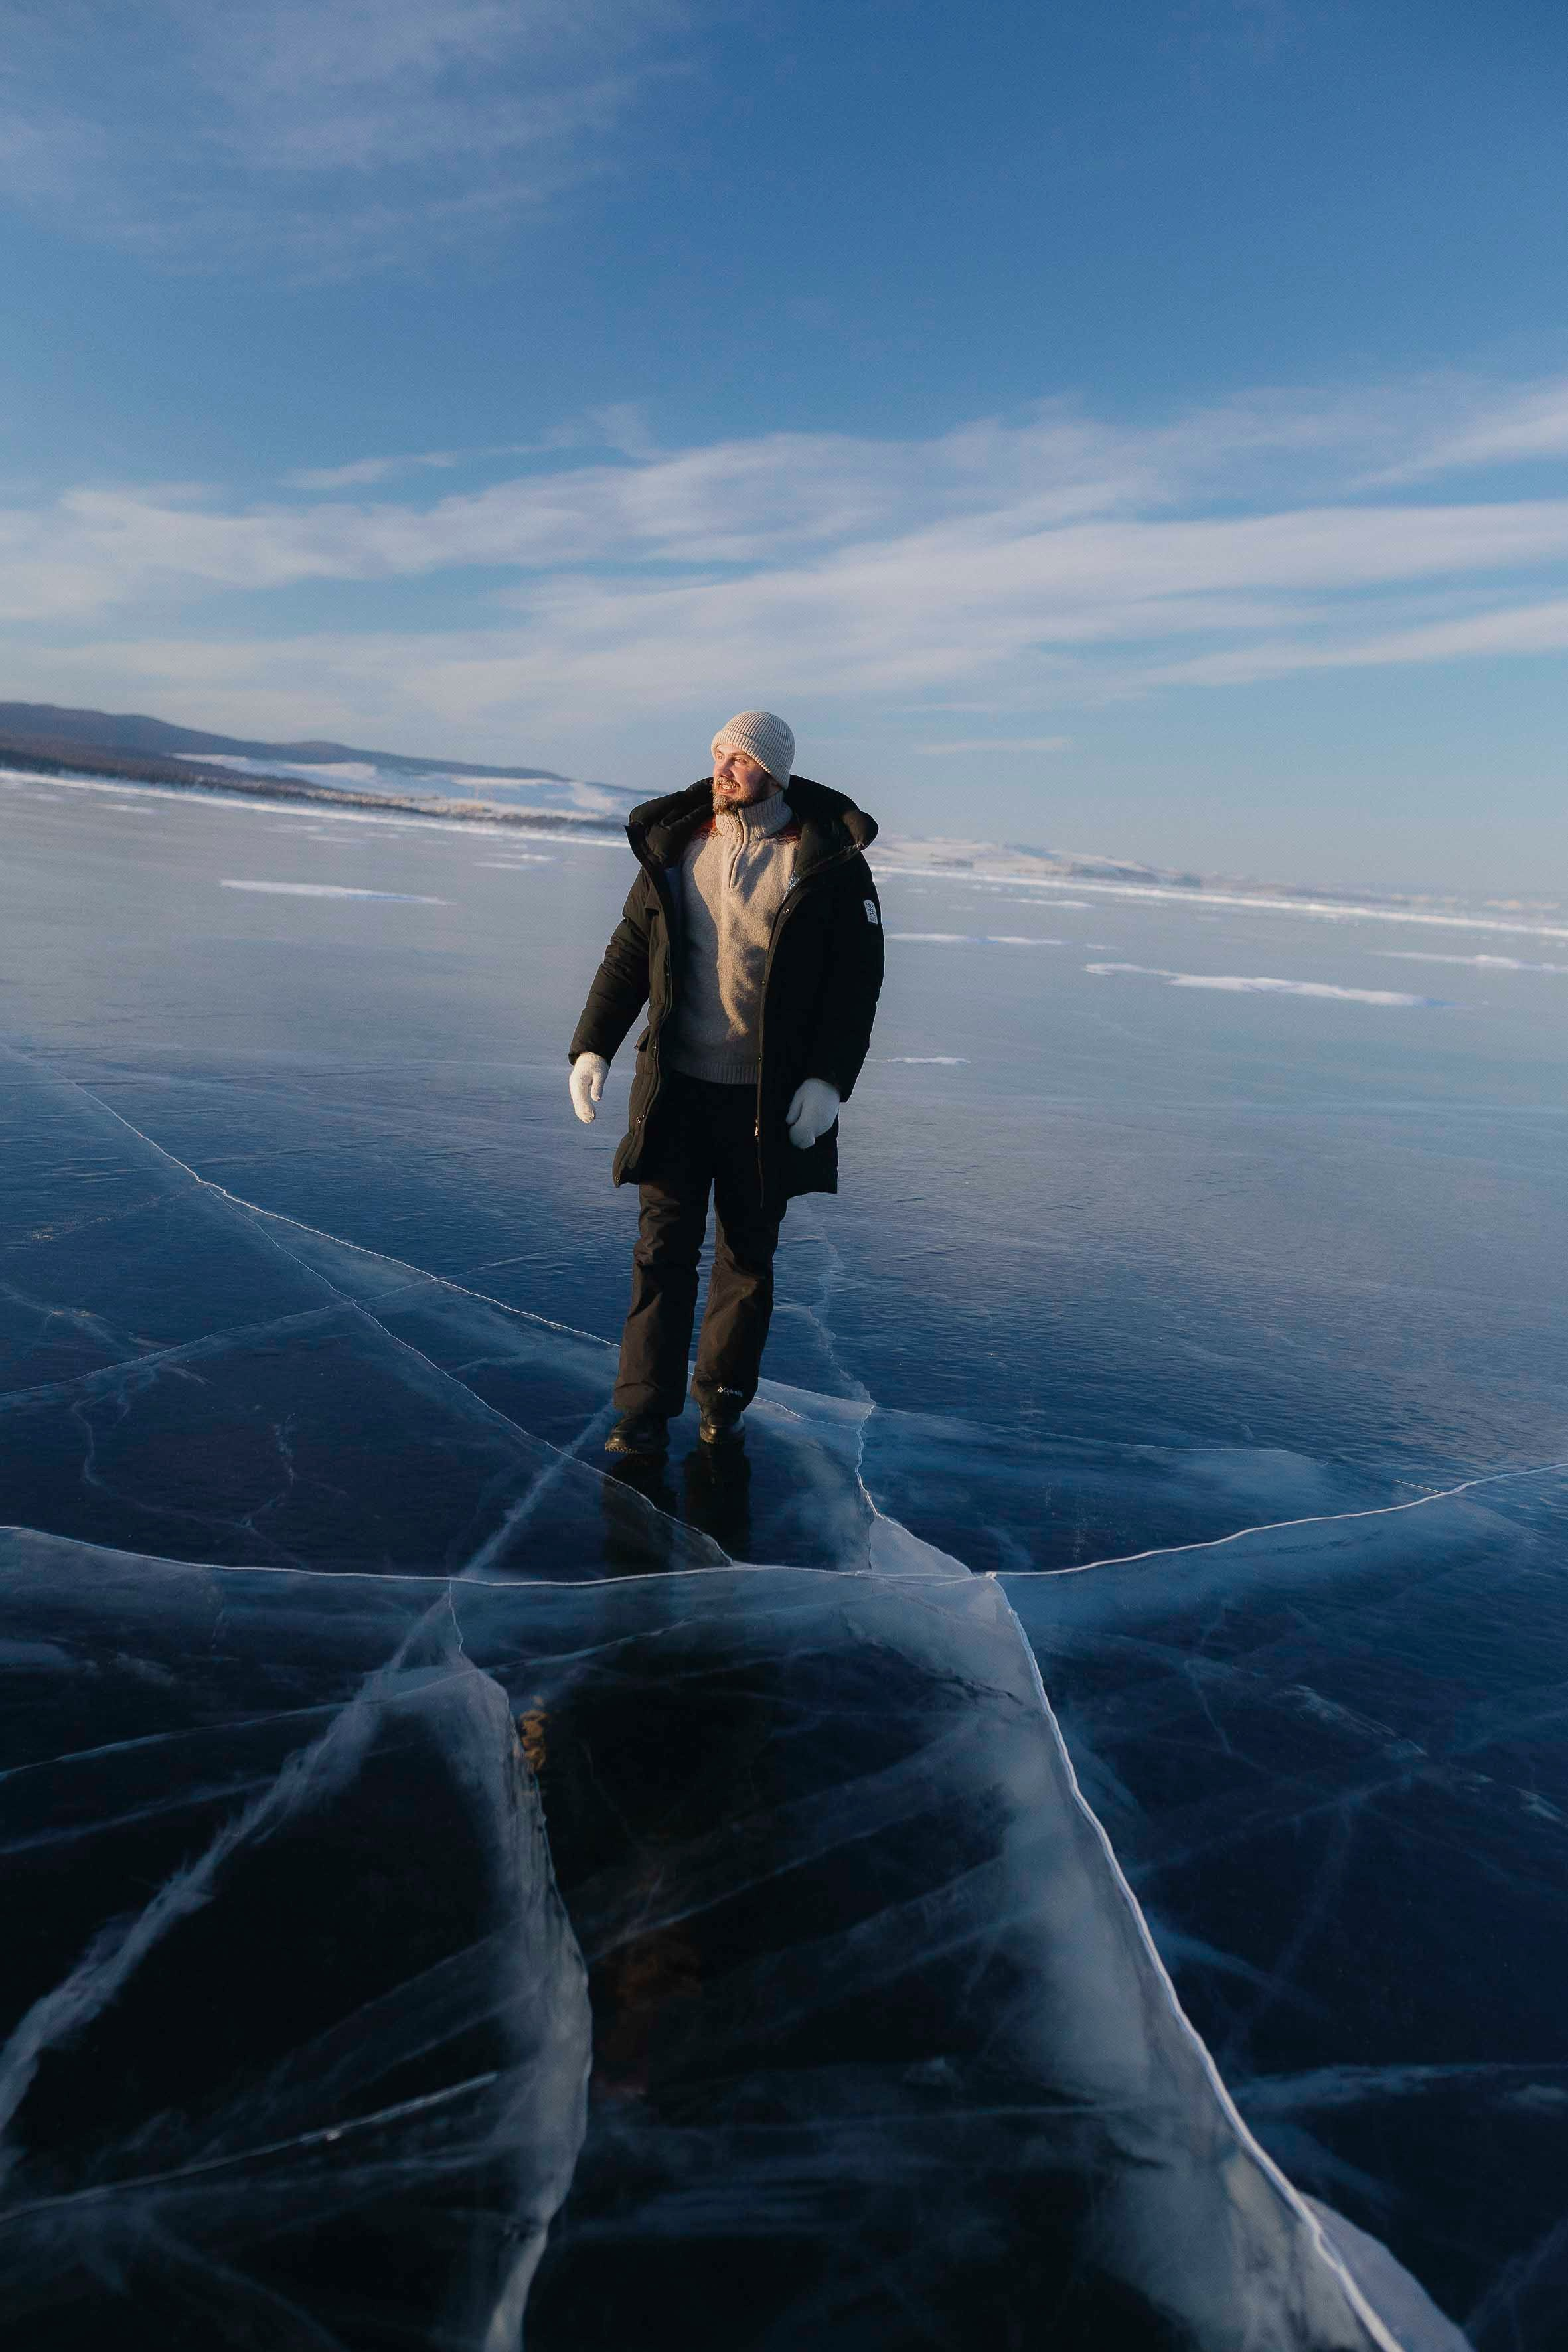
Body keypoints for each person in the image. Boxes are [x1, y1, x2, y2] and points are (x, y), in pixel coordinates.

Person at [568, 710, 884, 1456]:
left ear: (773, 770)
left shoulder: (825, 861)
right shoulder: (679, 844)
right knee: (661, 1250)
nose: (723, 768)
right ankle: (642, 1411)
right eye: (718, 755)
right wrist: (592, 1047)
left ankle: (723, 1402)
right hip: (676, 1089)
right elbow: (628, 952)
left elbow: (856, 983)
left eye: (739, 758)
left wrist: (828, 1080)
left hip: (763, 1100)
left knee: (746, 1256)